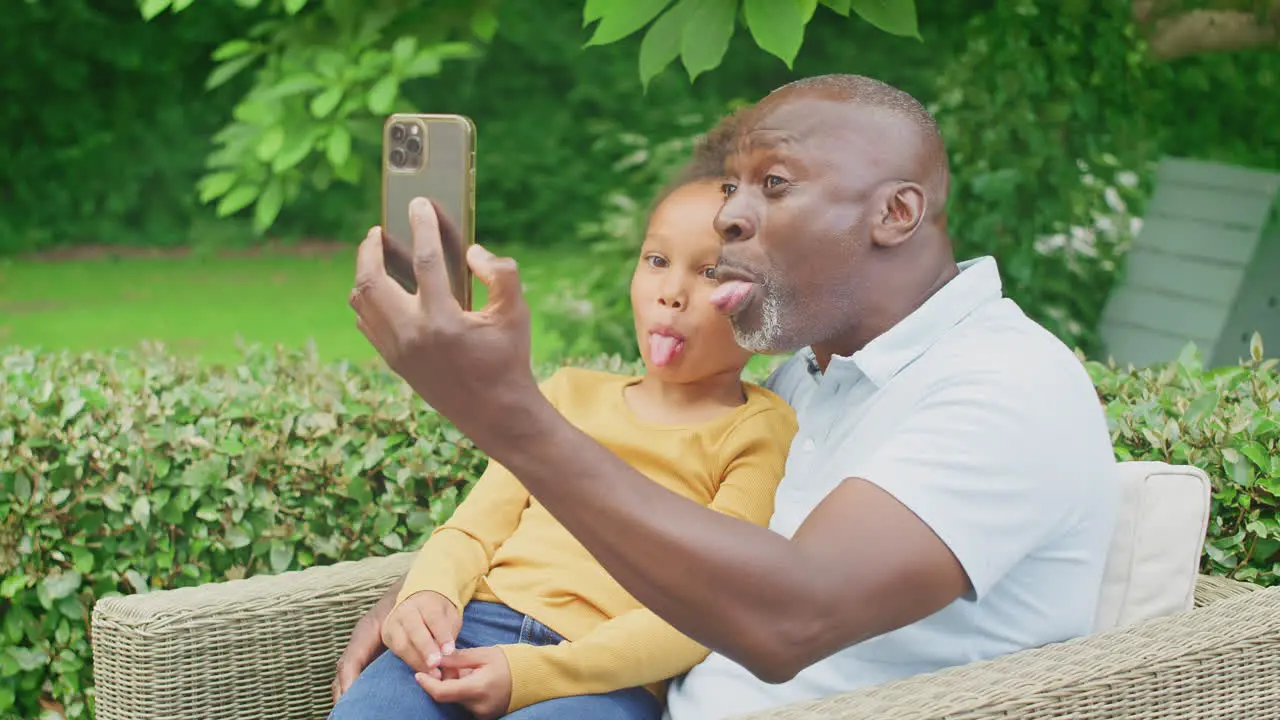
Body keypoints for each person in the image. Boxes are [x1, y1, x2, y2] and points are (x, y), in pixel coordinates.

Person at [344, 74, 1120, 720]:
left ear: (896, 213)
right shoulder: (805, 380)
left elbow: (791, 616)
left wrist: (506, 414)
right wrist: (424, 597)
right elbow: (637, 516)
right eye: (733, 187)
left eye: (772, 184)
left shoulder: (1003, 386)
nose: (727, 214)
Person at [330, 132, 798, 720]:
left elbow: (707, 612)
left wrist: (538, 674)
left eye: (709, 272)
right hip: (473, 631)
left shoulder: (758, 431)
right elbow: (472, 531)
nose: (670, 294)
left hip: (602, 678)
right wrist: (428, 596)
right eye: (656, 261)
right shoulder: (568, 394)